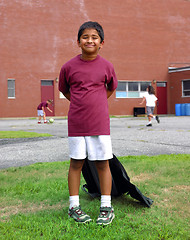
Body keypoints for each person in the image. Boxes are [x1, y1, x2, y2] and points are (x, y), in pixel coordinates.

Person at [59, 21, 118, 225]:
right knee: (76, 163)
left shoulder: (107, 66)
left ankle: (106, 206)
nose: (89, 40)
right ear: (78, 41)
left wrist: (97, 103)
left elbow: (111, 88)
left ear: (102, 42)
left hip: (100, 124)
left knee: (102, 163)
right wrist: (80, 103)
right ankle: (73, 206)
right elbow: (65, 90)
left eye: (94, 37)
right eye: (85, 37)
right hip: (76, 124)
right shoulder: (68, 67)